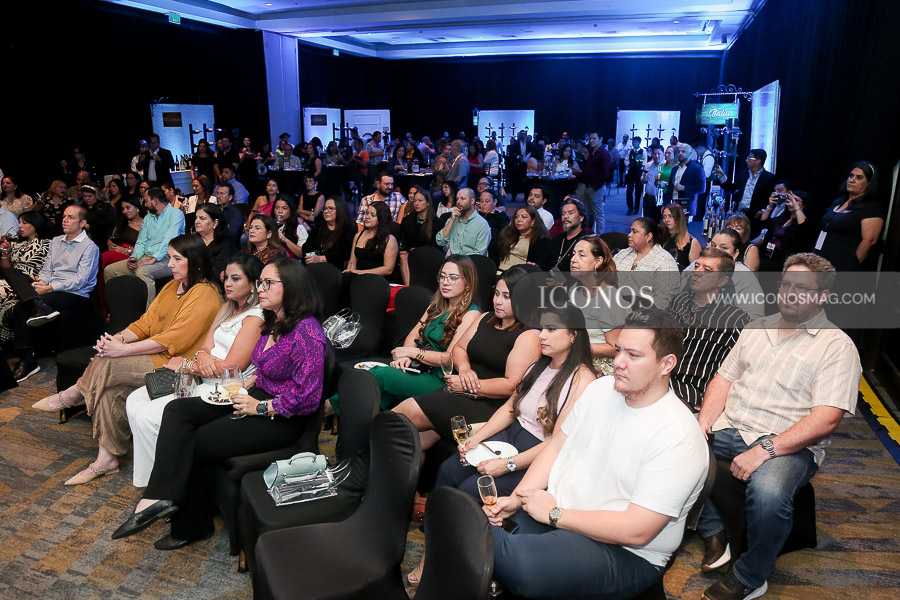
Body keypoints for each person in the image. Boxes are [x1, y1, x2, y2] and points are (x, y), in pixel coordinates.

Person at [485, 309, 709, 600]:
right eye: (618, 351)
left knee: (511, 559)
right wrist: (517, 498)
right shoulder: (600, 389)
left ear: (666, 364)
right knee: (484, 530)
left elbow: (636, 531)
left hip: (625, 551)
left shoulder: (680, 437)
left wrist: (554, 514)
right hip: (561, 513)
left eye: (633, 355)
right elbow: (556, 447)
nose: (618, 363)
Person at [110, 259, 327, 549]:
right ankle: (159, 496)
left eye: (268, 283)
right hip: (254, 395)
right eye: (260, 282)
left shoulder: (308, 333)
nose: (260, 289)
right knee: (178, 410)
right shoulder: (275, 320)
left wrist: (259, 407)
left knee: (195, 441)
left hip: (283, 417)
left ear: (292, 287)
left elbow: (308, 397)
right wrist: (247, 385)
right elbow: (268, 368)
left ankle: (190, 524)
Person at [696, 253, 861, 600]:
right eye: (786, 284)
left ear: (823, 296)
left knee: (769, 494)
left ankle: (750, 575)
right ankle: (714, 531)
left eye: (802, 288)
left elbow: (827, 418)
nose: (790, 293)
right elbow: (723, 380)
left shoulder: (837, 346)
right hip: (731, 425)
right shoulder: (756, 327)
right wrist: (704, 421)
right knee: (675, 448)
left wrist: (766, 450)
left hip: (786, 442)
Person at [408, 304, 596, 586]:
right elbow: (510, 408)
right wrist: (476, 438)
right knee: (448, 469)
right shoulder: (539, 365)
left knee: (471, 489)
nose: (542, 335)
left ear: (573, 335)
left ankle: (452, 564)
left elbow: (556, 443)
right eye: (542, 328)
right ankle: (436, 549)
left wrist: (507, 464)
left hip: (537, 456)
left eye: (551, 329)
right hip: (510, 436)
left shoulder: (582, 380)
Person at [31, 235, 222, 474]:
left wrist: (124, 349)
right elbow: (145, 323)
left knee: (108, 362)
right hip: (159, 356)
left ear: (195, 261)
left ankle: (75, 394)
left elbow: (173, 339)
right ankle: (107, 459)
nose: (170, 264)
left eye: (177, 259)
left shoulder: (206, 293)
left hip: (179, 366)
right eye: (170, 258)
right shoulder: (174, 285)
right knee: (109, 387)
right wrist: (118, 339)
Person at [125, 254, 264, 487]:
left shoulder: (255, 318)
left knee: (148, 417)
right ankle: (153, 479)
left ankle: (167, 485)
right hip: (202, 377)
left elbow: (229, 368)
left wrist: (188, 365)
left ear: (253, 284)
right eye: (226, 278)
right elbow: (203, 348)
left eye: (236, 279)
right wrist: (202, 359)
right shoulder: (227, 308)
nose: (228, 284)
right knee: (134, 400)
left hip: (225, 389)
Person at [393, 267, 541, 449]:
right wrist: (465, 369)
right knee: (408, 441)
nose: (498, 301)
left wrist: (469, 386)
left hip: (488, 405)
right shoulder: (486, 318)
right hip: (460, 391)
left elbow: (511, 385)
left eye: (506, 297)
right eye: (496, 294)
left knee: (403, 415)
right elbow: (459, 349)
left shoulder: (528, 335)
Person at [342, 256, 482, 413]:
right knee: (379, 392)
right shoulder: (438, 305)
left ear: (468, 283)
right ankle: (357, 419)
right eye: (442, 276)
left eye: (453, 277)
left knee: (379, 375)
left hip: (441, 379)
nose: (445, 282)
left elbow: (449, 358)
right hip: (420, 368)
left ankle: (331, 407)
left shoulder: (471, 314)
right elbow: (415, 333)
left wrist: (412, 353)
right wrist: (406, 358)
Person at [9, 206, 100, 382]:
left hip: (74, 293)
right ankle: (38, 304)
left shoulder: (90, 247)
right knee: (14, 273)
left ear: (82, 223)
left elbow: (81, 280)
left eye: (71, 217)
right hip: (50, 287)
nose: (65, 220)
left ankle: (27, 360)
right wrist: (43, 282)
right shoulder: (56, 241)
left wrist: (50, 288)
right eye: (64, 216)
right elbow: (46, 269)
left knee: (22, 306)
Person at [667, 248, 749, 411]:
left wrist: (715, 401)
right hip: (659, 377)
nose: (697, 272)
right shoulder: (679, 301)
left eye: (707, 270)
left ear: (722, 281)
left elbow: (742, 366)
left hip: (689, 392)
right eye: (697, 266)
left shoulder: (734, 319)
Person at [104, 188, 186, 308]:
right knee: (109, 270)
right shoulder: (148, 218)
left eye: (146, 201)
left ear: (155, 201)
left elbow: (169, 241)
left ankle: (150, 313)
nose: (145, 205)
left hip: (168, 259)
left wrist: (153, 259)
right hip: (146, 257)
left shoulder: (175, 214)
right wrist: (134, 257)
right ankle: (120, 309)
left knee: (143, 272)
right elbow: (141, 242)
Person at [569, 234, 626, 376]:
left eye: (581, 255)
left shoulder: (608, 296)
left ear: (598, 261)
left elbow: (615, 348)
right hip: (575, 356)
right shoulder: (574, 291)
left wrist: (574, 347)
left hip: (600, 364)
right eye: (573, 254)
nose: (573, 259)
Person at [814, 161, 883, 271]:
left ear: (869, 183)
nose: (852, 180)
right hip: (819, 260)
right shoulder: (838, 201)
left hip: (841, 266)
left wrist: (849, 266)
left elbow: (870, 241)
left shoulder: (870, 206)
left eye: (859, 177)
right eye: (851, 176)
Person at [683, 229, 766, 320]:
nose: (716, 251)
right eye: (713, 246)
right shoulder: (699, 263)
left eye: (723, 248)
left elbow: (754, 319)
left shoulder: (745, 276)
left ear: (735, 253)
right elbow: (680, 286)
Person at [0, 211, 52, 342]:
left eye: (24, 222)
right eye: (19, 222)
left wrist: (42, 278)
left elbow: (51, 266)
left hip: (31, 280)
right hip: (12, 279)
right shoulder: (17, 244)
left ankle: (8, 339)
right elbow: (7, 268)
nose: (20, 226)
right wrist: (5, 253)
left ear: (35, 224)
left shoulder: (47, 244)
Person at [613, 218, 679, 308]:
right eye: (630, 231)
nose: (629, 235)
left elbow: (664, 302)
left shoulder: (665, 261)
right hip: (613, 307)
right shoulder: (623, 254)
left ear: (648, 236)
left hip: (643, 313)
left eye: (634, 232)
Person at [99, 196, 145, 315]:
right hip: (116, 251)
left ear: (137, 207)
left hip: (133, 255)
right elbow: (111, 239)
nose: (125, 211)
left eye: (128, 207)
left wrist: (127, 250)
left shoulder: (146, 223)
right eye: (123, 209)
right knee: (103, 269)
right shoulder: (122, 222)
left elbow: (146, 247)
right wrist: (110, 244)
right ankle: (105, 309)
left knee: (105, 257)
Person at [714, 148, 777, 232]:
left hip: (755, 216)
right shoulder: (743, 174)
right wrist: (722, 176)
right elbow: (730, 189)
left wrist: (762, 211)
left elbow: (771, 198)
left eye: (749, 158)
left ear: (758, 161)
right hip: (739, 213)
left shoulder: (769, 178)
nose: (746, 160)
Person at [757, 190, 810, 272]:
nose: (791, 202)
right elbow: (764, 222)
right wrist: (770, 205)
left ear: (804, 204)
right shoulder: (783, 217)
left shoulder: (806, 221)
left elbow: (802, 227)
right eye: (790, 200)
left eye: (796, 200)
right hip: (768, 254)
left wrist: (797, 208)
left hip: (784, 260)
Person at [345, 201, 399, 277]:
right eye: (367, 213)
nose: (367, 217)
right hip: (358, 278)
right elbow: (352, 262)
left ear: (381, 219)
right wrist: (349, 274)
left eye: (372, 215)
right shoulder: (358, 236)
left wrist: (360, 272)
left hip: (378, 280)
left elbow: (388, 269)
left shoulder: (389, 240)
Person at [436, 187, 490, 257]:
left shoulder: (482, 224)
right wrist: (452, 221)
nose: (458, 202)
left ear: (472, 201)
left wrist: (461, 262)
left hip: (471, 262)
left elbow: (479, 255)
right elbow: (440, 241)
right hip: (452, 261)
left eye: (462, 199)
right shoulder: (452, 220)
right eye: (457, 199)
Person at [398, 188, 438, 285]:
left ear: (427, 203)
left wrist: (418, 250)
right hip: (410, 254)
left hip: (428, 255)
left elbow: (436, 246)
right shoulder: (407, 221)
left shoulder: (436, 223)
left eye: (420, 201)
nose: (416, 204)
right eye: (415, 201)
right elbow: (403, 242)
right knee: (402, 255)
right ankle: (408, 288)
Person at [303, 197, 354, 269]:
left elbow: (345, 254)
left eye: (331, 208)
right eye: (325, 208)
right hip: (315, 267)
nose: (326, 211)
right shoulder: (318, 228)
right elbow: (306, 248)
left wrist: (320, 258)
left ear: (340, 210)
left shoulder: (348, 230)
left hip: (337, 270)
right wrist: (312, 257)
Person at [497, 205, 550, 272]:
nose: (519, 220)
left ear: (533, 221)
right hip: (500, 271)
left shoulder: (540, 240)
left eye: (524, 217)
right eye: (516, 217)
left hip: (521, 274)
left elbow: (543, 264)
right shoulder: (507, 233)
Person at [544, 198, 588, 272]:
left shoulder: (585, 242)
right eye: (563, 214)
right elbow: (545, 261)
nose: (565, 217)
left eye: (570, 213)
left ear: (581, 217)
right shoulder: (558, 238)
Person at [664, 144, 706, 218]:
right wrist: (665, 206)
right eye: (679, 151)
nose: (680, 153)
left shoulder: (697, 169)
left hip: (687, 206)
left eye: (683, 151)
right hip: (672, 205)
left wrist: (684, 188)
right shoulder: (675, 169)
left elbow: (702, 189)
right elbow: (670, 189)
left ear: (690, 153)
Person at [194, 204, 235, 278]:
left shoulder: (225, 244)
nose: (197, 221)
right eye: (196, 218)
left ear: (215, 223)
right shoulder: (191, 240)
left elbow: (218, 272)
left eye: (202, 218)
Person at [661, 203, 701, 271]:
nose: (666, 220)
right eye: (664, 217)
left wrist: (679, 267)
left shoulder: (692, 243)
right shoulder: (661, 237)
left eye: (670, 216)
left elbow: (696, 271)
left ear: (679, 218)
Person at [212, 182, 244, 249]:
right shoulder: (212, 209)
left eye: (222, 194)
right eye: (217, 193)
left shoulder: (235, 213)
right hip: (212, 245)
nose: (218, 196)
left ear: (230, 197)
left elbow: (230, 233)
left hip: (229, 248)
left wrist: (215, 227)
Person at [625, 136, 647, 216]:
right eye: (633, 142)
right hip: (631, 172)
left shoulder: (643, 152)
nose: (634, 143)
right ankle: (630, 208)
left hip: (639, 173)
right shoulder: (630, 151)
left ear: (639, 143)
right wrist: (628, 165)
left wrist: (642, 169)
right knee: (629, 190)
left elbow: (644, 162)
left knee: (638, 191)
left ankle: (636, 208)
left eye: (636, 142)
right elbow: (626, 160)